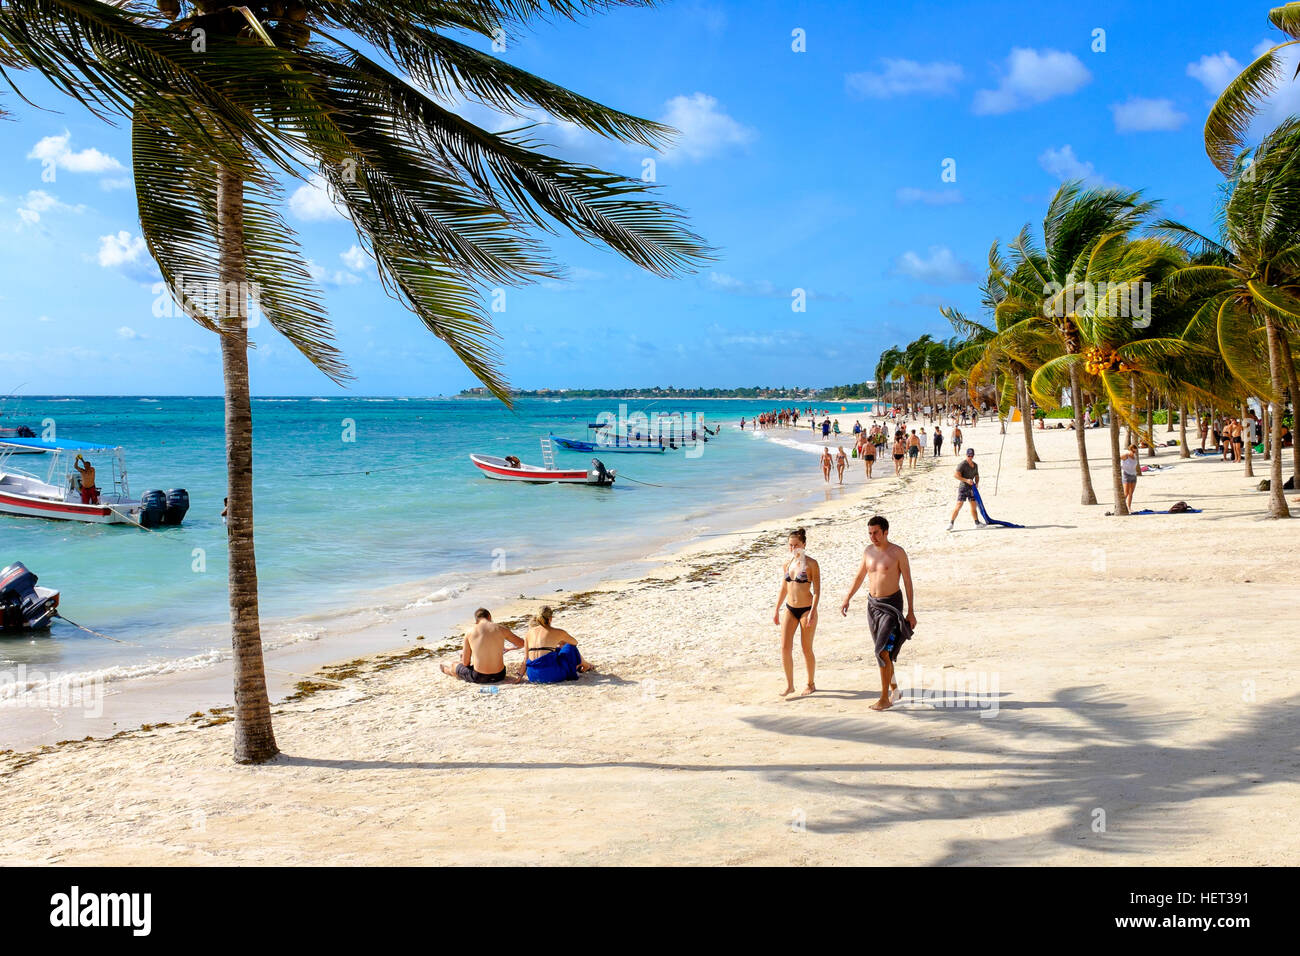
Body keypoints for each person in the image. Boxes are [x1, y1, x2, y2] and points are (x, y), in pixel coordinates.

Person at [841, 515, 915, 711]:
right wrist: (847, 597)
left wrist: (911, 611)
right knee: (885, 652)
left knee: (881, 651)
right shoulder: (868, 552)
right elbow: (859, 576)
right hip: (873, 606)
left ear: (885, 532)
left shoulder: (897, 552)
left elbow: (907, 581)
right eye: (870, 533)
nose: (872, 537)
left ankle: (884, 698)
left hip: (891, 606)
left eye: (876, 533)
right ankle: (894, 689)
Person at [774, 528, 820, 697]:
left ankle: (811, 683)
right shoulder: (787, 564)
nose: (793, 549)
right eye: (790, 546)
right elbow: (784, 588)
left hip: (807, 610)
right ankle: (790, 685)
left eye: (796, 545)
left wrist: (813, 612)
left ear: (804, 544)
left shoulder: (812, 564)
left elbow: (817, 591)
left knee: (806, 648)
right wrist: (776, 609)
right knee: (785, 647)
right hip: (789, 609)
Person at [440, 608, 523, 685]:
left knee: (454, 665)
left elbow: (466, 663)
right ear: (489, 617)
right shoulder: (501, 628)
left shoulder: (470, 632)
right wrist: (510, 648)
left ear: (476, 621)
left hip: (480, 677)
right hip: (500, 675)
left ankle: (444, 669)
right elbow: (522, 643)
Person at [522, 605, 593, 683]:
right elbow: (574, 642)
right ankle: (585, 666)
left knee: (556, 651)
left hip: (532, 676)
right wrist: (559, 641)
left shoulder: (528, 633)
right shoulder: (558, 632)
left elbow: (526, 658)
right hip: (551, 675)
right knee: (570, 647)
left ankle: (583, 665)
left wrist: (519, 676)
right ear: (550, 618)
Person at [948, 448, 983, 531]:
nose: (970, 457)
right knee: (959, 505)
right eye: (968, 455)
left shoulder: (975, 465)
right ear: (966, 455)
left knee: (973, 506)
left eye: (971, 455)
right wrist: (966, 480)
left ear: (973, 455)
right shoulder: (962, 464)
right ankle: (951, 523)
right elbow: (956, 475)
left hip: (972, 488)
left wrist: (977, 483)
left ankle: (977, 523)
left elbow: (977, 476)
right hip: (963, 487)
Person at [1121, 444, 1139, 511]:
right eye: (1133, 451)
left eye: (1135, 451)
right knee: (1126, 493)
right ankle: (1119, 506)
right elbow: (1117, 459)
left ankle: (1129, 507)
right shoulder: (1126, 456)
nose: (1134, 452)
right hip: (1126, 475)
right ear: (1130, 450)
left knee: (1131, 493)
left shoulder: (1135, 456)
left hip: (1134, 475)